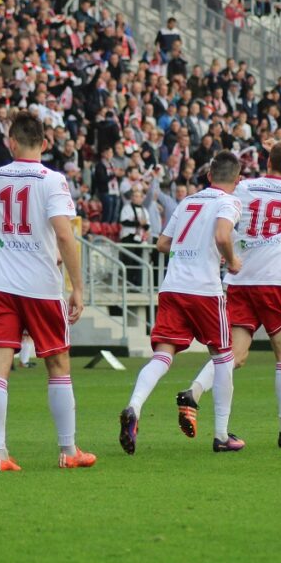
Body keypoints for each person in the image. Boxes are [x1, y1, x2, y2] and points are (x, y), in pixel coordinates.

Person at [0, 112, 96, 471]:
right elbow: (65, 234)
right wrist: (78, 287)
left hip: (0, 286)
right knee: (57, 365)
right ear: (45, 142)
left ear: (11, 142)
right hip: (40, 286)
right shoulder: (52, 180)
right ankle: (68, 451)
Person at [177, 140, 281, 448]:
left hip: (240, 280)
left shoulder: (244, 188)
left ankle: (194, 392)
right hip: (274, 281)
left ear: (267, 163)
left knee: (234, 355)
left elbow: (221, 198)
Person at [119, 152, 244, 455]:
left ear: (209, 174)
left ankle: (134, 406)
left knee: (163, 356)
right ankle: (221, 434)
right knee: (224, 358)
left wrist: (188, 248)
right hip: (204, 289)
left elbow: (162, 243)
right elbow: (222, 235)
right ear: (237, 180)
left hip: (173, 286)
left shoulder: (188, 201)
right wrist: (232, 262)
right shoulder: (229, 202)